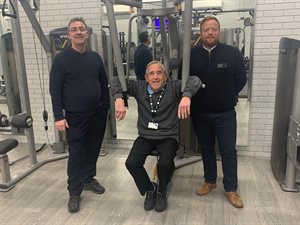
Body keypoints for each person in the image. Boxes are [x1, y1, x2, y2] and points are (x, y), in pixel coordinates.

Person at [111, 61, 201, 212]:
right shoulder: (139, 87)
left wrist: (186, 96)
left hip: (168, 136)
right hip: (145, 136)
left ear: (165, 76)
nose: (155, 77)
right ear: (146, 77)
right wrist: (119, 98)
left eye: (159, 73)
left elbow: (195, 80)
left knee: (165, 164)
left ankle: (162, 192)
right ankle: (150, 189)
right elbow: (115, 80)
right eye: (151, 73)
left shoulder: (173, 87)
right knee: (131, 163)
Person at [49, 17, 109, 213]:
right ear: (69, 35)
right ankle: (74, 192)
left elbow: (103, 83)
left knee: (93, 149)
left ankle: (88, 178)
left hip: (97, 114)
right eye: (74, 29)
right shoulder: (61, 59)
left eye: (81, 29)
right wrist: (59, 116)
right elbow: (55, 90)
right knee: (76, 155)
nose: (78, 32)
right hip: (74, 117)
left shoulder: (95, 58)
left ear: (87, 33)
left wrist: (106, 108)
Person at [188, 16, 247, 208]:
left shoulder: (232, 53)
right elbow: (184, 80)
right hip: (200, 112)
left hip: (225, 113)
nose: (210, 33)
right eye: (206, 30)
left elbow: (241, 79)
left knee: (228, 150)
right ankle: (210, 181)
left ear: (218, 31)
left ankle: (231, 188)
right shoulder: (191, 54)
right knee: (206, 149)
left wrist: (227, 95)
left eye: (213, 29)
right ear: (201, 32)